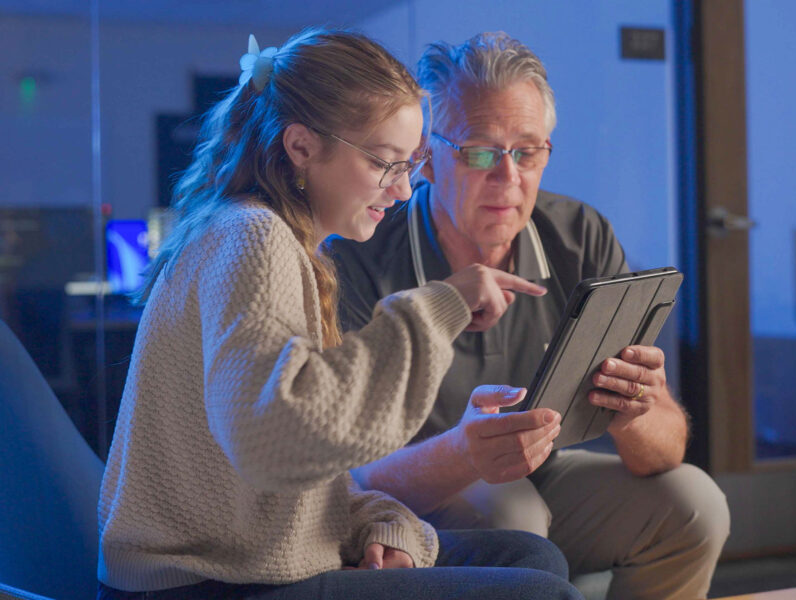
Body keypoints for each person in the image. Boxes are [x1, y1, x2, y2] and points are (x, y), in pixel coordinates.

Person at [96, 28, 584, 600]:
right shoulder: (254, 237)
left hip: (247, 554)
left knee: (532, 554)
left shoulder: (276, 239)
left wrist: (380, 522)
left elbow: (292, 477)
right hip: (204, 582)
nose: (403, 191)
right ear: (301, 147)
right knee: (540, 592)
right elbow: (275, 436)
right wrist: (439, 306)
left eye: (411, 164)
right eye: (384, 163)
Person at [329, 32, 731, 600]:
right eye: (479, 151)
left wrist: (636, 411)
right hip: (405, 497)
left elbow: (665, 449)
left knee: (694, 503)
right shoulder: (359, 254)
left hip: (547, 473)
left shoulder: (580, 235)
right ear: (427, 158)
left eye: (528, 151)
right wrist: (466, 451)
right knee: (510, 513)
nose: (508, 178)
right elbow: (343, 477)